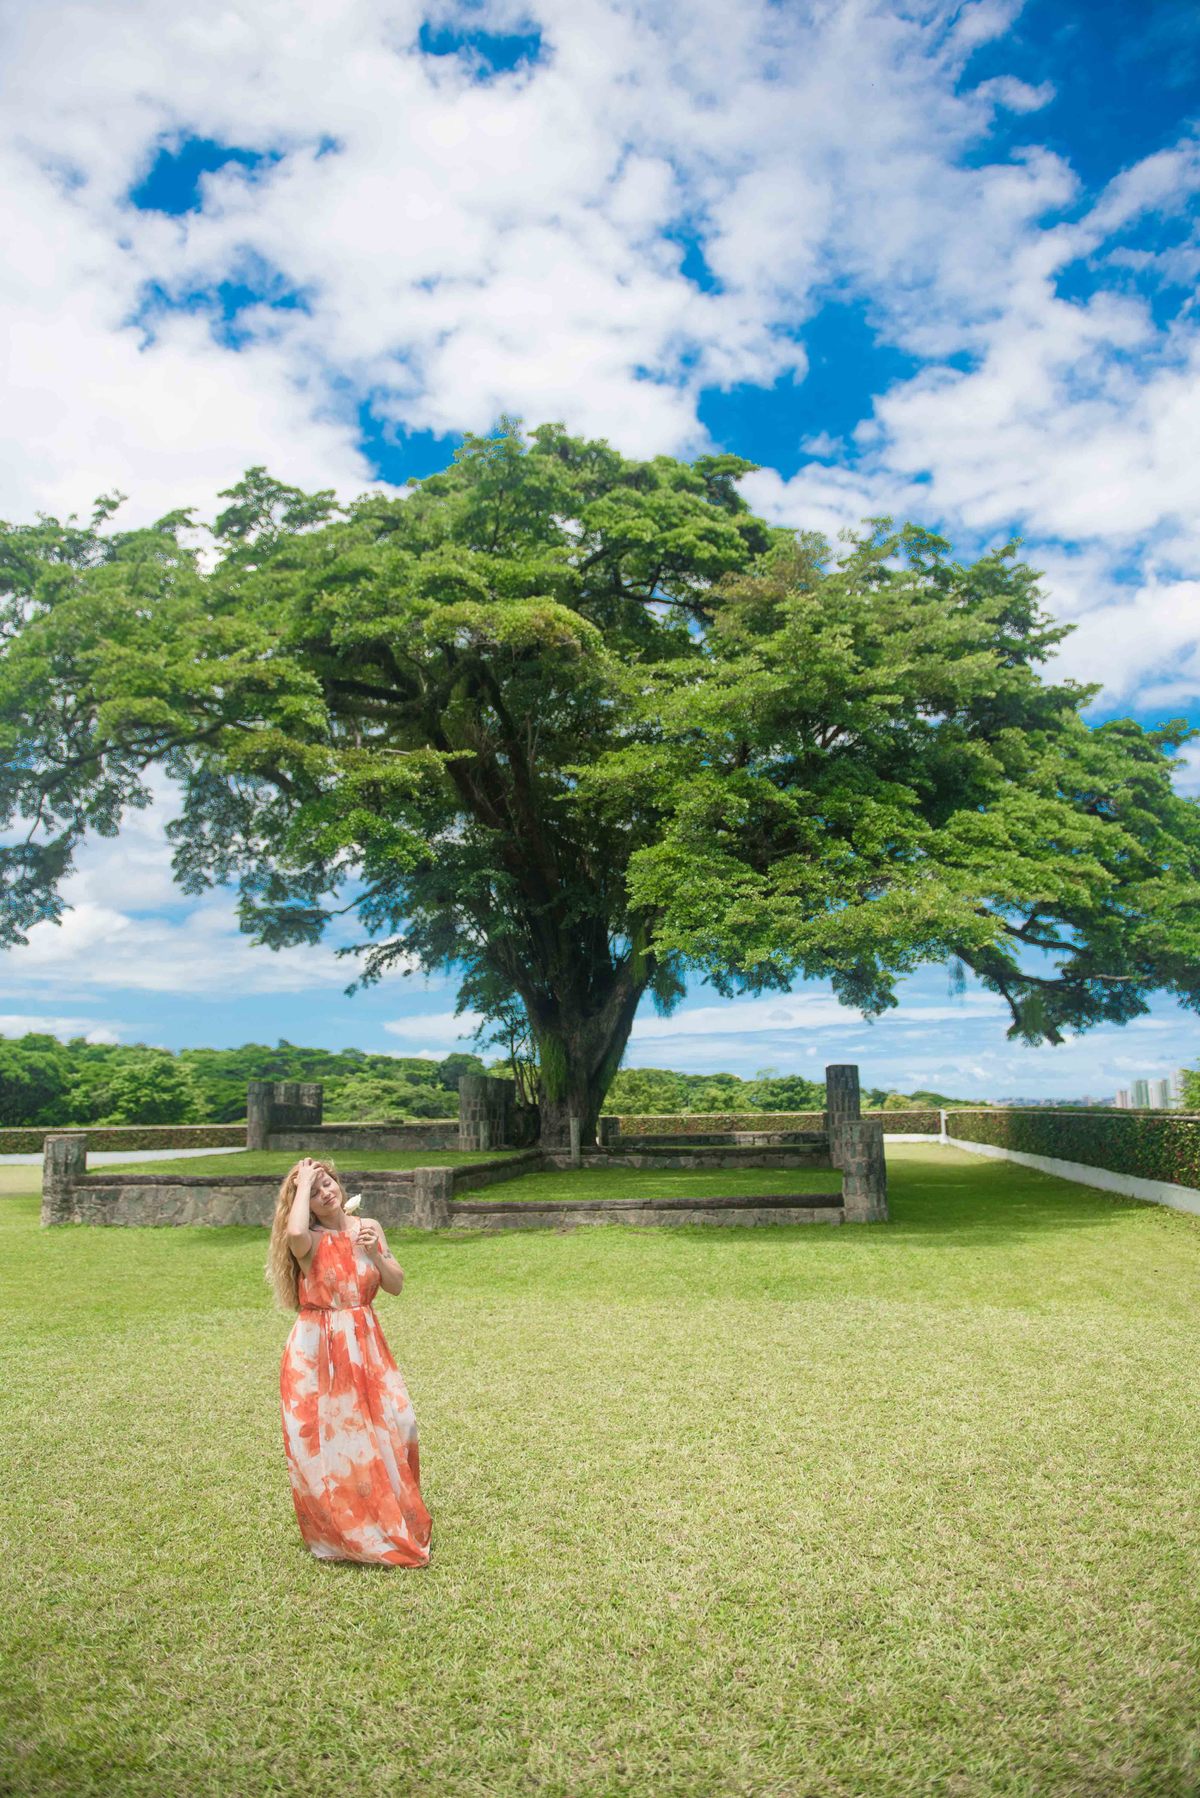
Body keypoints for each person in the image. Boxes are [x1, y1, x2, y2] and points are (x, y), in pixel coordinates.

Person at [267, 1155, 432, 1567]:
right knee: (338, 1443)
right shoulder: (307, 1242)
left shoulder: (369, 1228)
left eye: (329, 1184)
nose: (326, 1193)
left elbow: (395, 1285)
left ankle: (395, 1516)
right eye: (315, 1189)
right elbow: (294, 1229)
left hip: (367, 1342)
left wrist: (376, 1253)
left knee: (400, 1422)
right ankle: (348, 1531)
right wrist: (301, 1181)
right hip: (319, 1349)